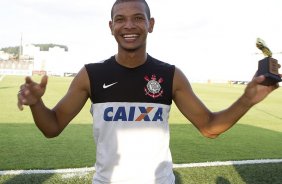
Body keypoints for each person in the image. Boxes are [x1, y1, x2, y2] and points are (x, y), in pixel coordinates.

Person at [17, 0, 280, 183]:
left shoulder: (170, 75)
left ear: (150, 24)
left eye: (137, 18)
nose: (128, 25)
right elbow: (52, 128)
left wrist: (247, 99)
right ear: (111, 27)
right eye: (120, 19)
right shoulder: (91, 74)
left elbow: (209, 127)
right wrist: (36, 105)